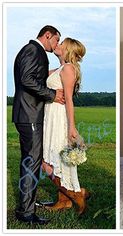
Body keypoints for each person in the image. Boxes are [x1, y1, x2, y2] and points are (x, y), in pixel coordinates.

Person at [13, 25, 64, 224]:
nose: (57, 44)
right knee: (31, 164)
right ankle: (26, 212)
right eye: (56, 40)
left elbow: (35, 77)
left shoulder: (32, 51)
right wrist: (51, 95)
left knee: (31, 162)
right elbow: (27, 79)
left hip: (27, 114)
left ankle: (27, 205)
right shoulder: (33, 50)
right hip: (29, 115)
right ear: (48, 35)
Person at [41, 37, 89, 214]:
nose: (58, 45)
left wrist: (72, 127)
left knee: (47, 163)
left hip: (58, 119)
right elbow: (38, 75)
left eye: (62, 43)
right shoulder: (59, 68)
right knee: (55, 160)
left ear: (67, 49)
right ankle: (65, 200)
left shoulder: (68, 69)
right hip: (49, 116)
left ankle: (77, 195)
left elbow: (69, 100)